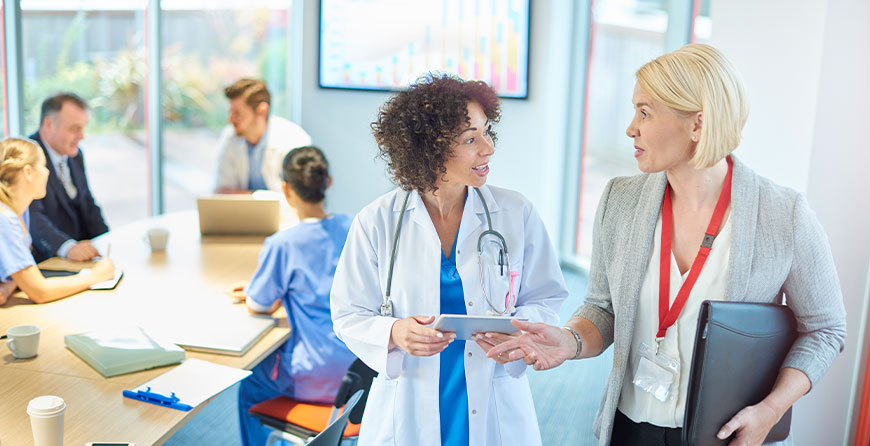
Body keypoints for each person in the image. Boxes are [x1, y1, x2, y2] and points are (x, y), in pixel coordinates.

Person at [486, 44, 847, 446]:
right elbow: (602, 308)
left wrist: (770, 411)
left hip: (724, 434)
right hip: (628, 428)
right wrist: (569, 341)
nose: (630, 128)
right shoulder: (620, 201)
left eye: (644, 112)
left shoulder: (784, 214)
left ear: (697, 124)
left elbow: (825, 330)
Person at [329, 74, 568, 446]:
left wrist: (520, 329)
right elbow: (348, 313)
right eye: (470, 140)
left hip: (492, 390)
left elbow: (546, 297)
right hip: (410, 395)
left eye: (487, 132)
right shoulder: (377, 221)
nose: (488, 149)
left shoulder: (514, 212)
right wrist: (393, 332)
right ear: (429, 150)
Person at [231, 146, 356, 446]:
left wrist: (259, 292)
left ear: (286, 189)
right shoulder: (355, 227)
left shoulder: (283, 245)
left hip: (315, 377)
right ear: (328, 182)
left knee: (249, 383)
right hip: (361, 371)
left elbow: (258, 305)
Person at [0, 138, 115, 305]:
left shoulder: (20, 212)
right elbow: (40, 291)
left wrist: (10, 285)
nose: (48, 173)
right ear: (28, 172)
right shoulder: (6, 220)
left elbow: (18, 271)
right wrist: (95, 276)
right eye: (43, 166)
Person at [28, 93, 109, 263]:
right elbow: (32, 217)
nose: (82, 136)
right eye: (74, 129)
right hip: (50, 259)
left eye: (83, 128)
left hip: (83, 256)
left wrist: (107, 241)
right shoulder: (27, 158)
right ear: (49, 125)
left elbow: (87, 203)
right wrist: (67, 247)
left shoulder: (75, 155)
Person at [215, 79, 312, 194]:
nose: (230, 120)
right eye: (230, 113)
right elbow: (222, 192)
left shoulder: (294, 140)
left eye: (237, 114)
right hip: (242, 212)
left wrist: (249, 195)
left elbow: (298, 197)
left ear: (262, 111)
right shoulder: (230, 136)